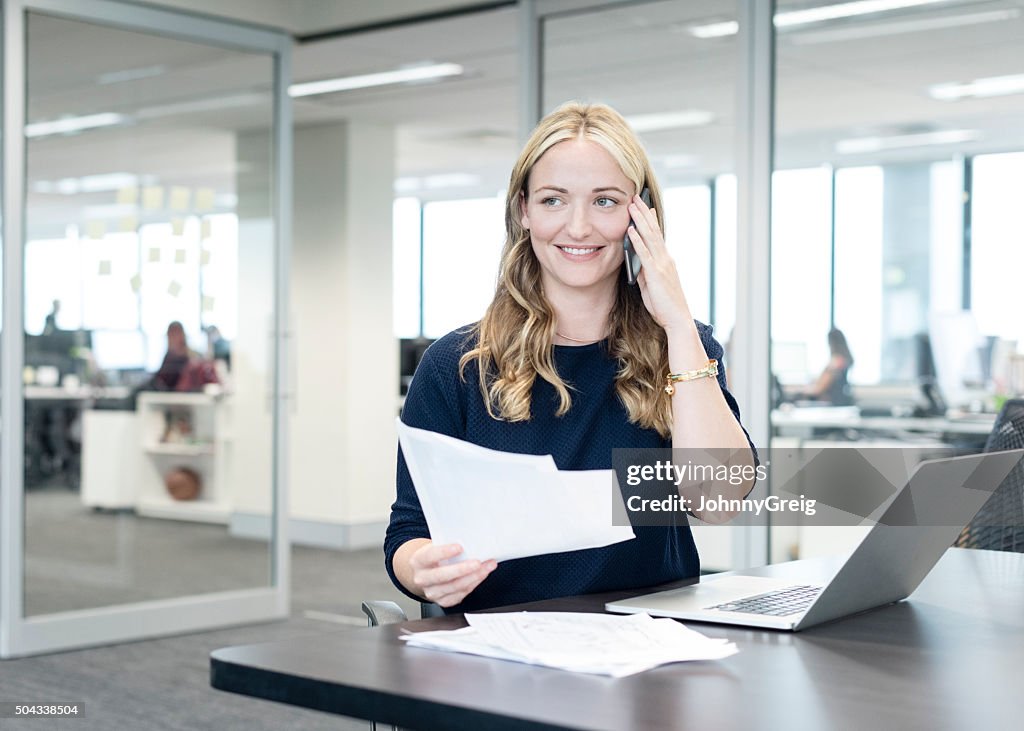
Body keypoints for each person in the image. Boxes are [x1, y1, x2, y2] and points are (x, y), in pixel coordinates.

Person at [385, 102, 757, 613]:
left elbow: (717, 501)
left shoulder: (682, 349)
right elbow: (409, 532)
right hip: (503, 654)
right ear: (524, 210)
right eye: (554, 200)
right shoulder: (458, 365)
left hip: (650, 652)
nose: (578, 227)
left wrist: (677, 322)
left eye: (604, 201)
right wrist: (422, 569)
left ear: (640, 213)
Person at [798, 328, 854, 406]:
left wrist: (802, 391)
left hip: (829, 403)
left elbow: (819, 389)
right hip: (840, 402)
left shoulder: (836, 362)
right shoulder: (845, 360)